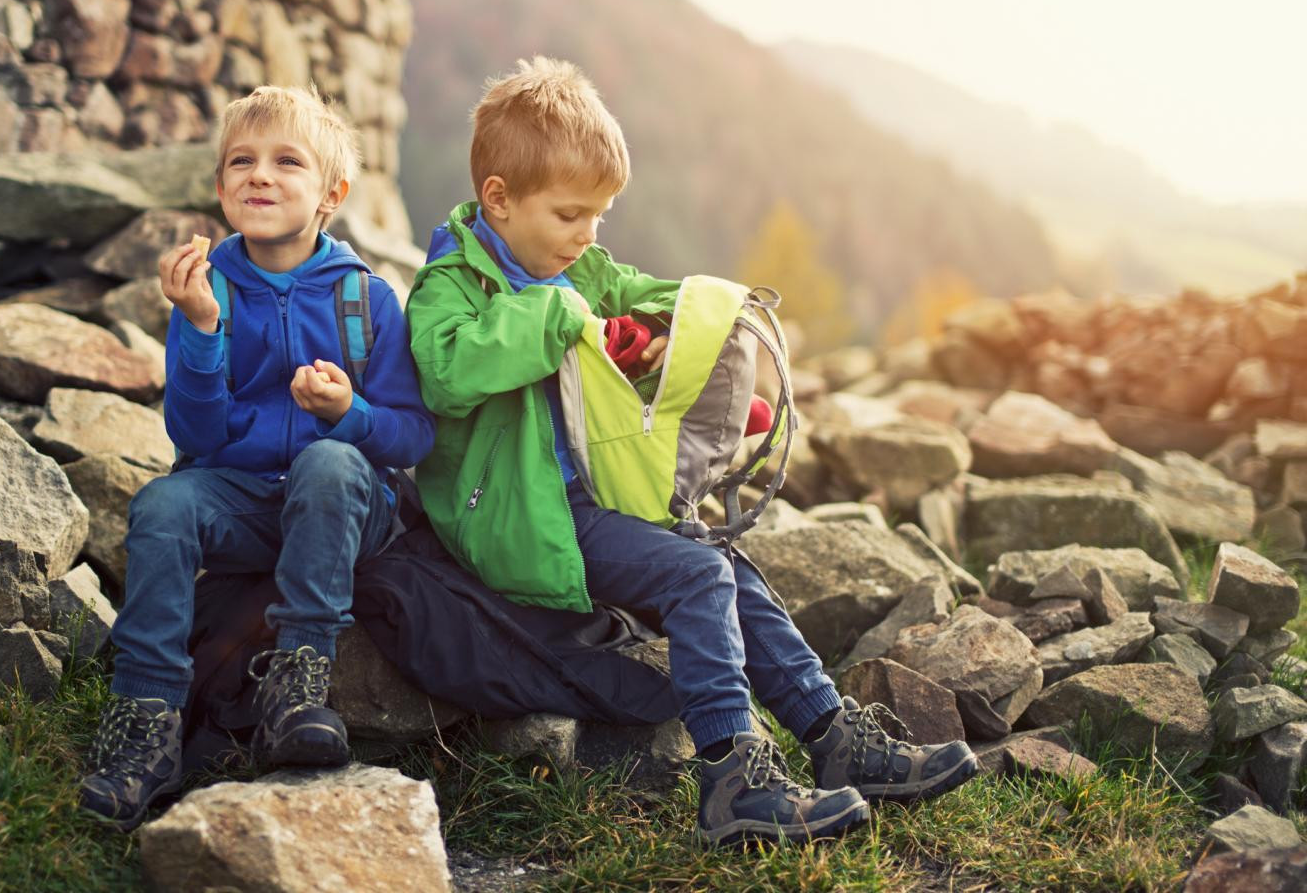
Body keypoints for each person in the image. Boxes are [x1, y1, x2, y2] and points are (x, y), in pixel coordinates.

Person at [406, 57, 977, 845]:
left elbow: (644, 292)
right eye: (571, 215)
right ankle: (734, 777)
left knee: (727, 566)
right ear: (498, 200)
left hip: (590, 502)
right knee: (697, 573)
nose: (587, 236)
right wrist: (559, 319)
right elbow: (446, 374)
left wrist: (686, 323)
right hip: (518, 518)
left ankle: (835, 737)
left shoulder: (583, 268)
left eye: (601, 216)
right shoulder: (451, 287)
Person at [79, 85, 435, 831]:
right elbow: (197, 440)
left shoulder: (366, 300)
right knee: (163, 504)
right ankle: (144, 723)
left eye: (286, 162)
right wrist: (203, 330)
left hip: (342, 507)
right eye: (241, 161)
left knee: (330, 463)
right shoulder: (209, 292)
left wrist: (348, 414)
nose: (259, 175)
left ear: (330, 195)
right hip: (241, 501)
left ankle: (297, 685)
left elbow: (412, 437)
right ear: (218, 187)